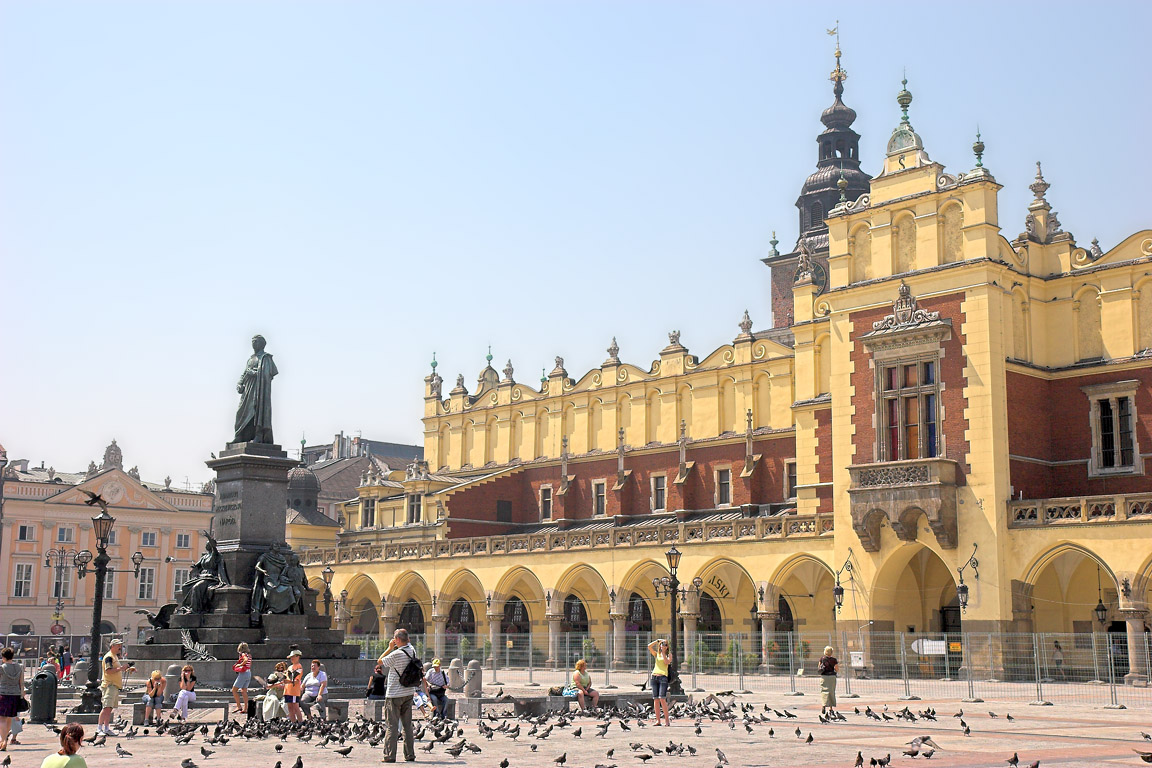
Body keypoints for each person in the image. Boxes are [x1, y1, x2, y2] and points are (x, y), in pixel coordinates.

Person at [379, 628, 426, 763]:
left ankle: (389, 755)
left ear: (397, 640)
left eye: (395, 639)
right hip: (408, 692)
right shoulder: (412, 650)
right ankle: (409, 754)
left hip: (394, 694)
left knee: (392, 725)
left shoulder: (396, 654)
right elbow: (408, 642)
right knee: (407, 725)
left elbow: (380, 661)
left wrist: (389, 648)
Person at [99, 638, 133, 735]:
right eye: (118, 645)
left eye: (120, 645)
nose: (120, 647)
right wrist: (121, 668)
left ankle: (106, 728)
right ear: (112, 646)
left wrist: (126, 669)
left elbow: (116, 669)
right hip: (109, 685)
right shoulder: (109, 657)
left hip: (114, 686)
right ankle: (99, 728)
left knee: (109, 708)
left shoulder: (115, 656)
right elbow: (108, 670)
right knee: (106, 707)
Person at [0, 646, 26, 751]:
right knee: (9, 718)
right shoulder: (20, 667)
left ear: (3, 657)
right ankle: (4, 740)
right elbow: (22, 682)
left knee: (1, 718)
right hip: (15, 695)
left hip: (3, 693)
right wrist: (21, 694)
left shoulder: (2, 668)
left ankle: (3, 740)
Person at [647, 639, 672, 726]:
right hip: (654, 677)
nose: (663, 646)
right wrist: (657, 641)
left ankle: (667, 720)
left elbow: (666, 662)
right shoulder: (657, 654)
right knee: (656, 699)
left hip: (663, 678)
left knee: (662, 698)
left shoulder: (668, 655)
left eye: (665, 644)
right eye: (662, 645)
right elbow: (649, 646)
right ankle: (658, 720)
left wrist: (664, 653)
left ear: (667, 646)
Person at [283, 650, 305, 723]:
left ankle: (300, 722)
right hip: (287, 690)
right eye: (291, 657)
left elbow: (296, 680)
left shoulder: (299, 667)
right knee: (290, 708)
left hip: (294, 691)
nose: (291, 658)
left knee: (295, 707)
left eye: (293, 657)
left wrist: (288, 681)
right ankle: (293, 723)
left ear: (297, 657)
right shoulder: (289, 667)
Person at [231, 643, 252, 714]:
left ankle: (239, 706)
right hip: (248, 673)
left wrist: (239, 665)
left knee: (234, 690)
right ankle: (246, 708)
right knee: (244, 691)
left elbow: (245, 660)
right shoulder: (249, 655)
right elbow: (249, 664)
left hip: (243, 673)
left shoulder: (243, 654)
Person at [818, 645, 838, 714]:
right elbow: (836, 669)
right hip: (832, 676)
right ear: (831, 652)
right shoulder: (834, 660)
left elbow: (819, 667)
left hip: (824, 677)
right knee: (831, 691)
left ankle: (824, 705)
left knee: (824, 691)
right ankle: (831, 708)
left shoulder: (822, 659)